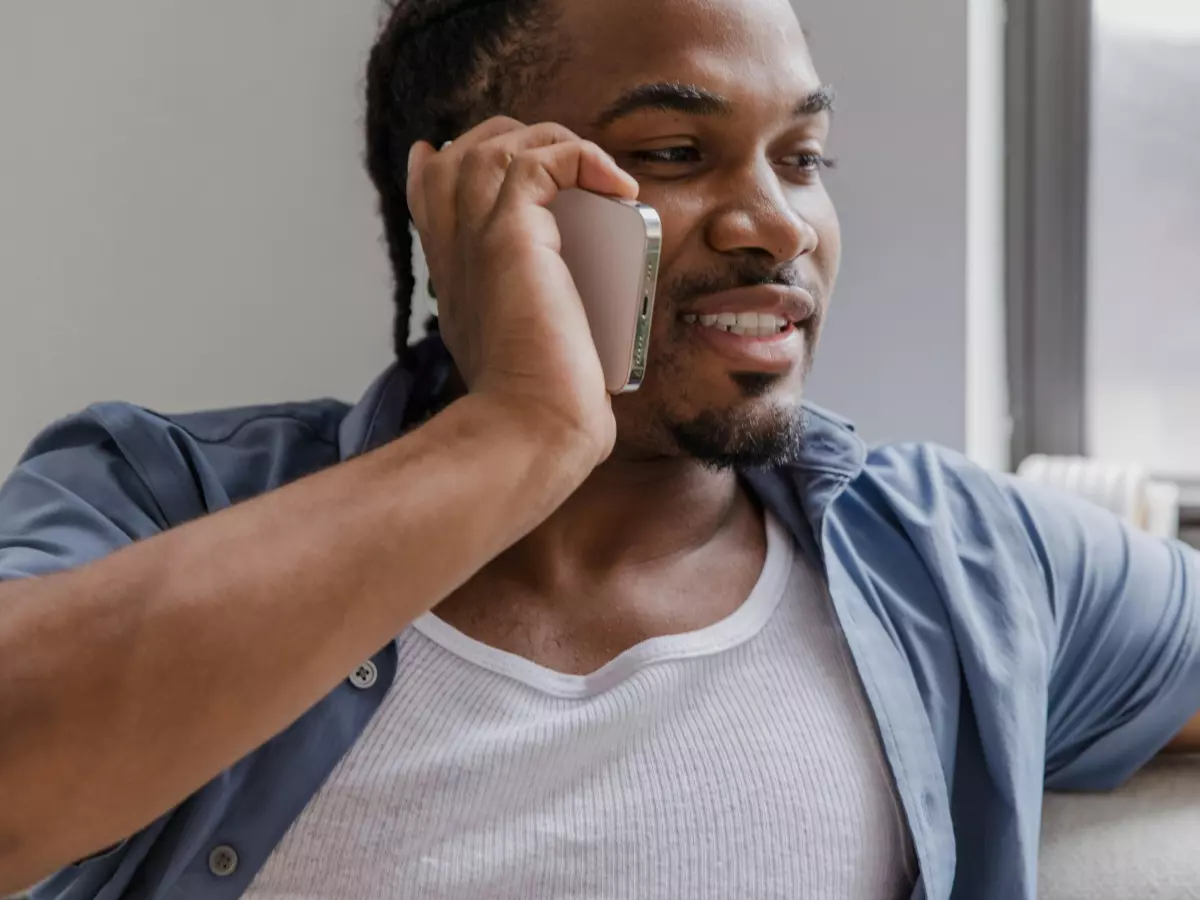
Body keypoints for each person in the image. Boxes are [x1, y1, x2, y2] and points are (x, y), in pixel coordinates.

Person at [1, 0, 1197, 897]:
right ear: (460, 204)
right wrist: (524, 433)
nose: (778, 221)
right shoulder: (160, 499)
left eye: (803, 157)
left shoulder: (962, 561)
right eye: (674, 154)